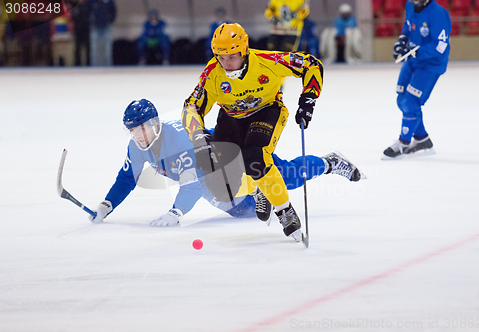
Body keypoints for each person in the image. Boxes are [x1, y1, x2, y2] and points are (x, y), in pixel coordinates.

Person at [89, 99, 363, 227]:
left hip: (235, 160)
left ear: (153, 124)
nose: (136, 136)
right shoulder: (136, 147)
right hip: (216, 186)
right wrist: (106, 205)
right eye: (131, 131)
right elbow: (127, 178)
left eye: (140, 129)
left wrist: (176, 212)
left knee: (288, 177)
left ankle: (329, 162)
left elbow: (192, 184)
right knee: (245, 215)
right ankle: (256, 193)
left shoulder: (178, 142)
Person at [181, 23, 330, 242]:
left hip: (266, 112)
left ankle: (285, 211)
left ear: (244, 50)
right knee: (221, 188)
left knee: (256, 158)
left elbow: (311, 64)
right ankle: (258, 189)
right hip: (231, 118)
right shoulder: (212, 73)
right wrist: (197, 136)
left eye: (231, 56)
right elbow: (191, 106)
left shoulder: (268, 61)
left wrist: (309, 98)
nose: (226, 64)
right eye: (220, 57)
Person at [383, 0, 451, 158]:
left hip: (431, 64)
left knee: (411, 101)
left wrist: (416, 51)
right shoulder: (410, 5)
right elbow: (409, 25)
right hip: (413, 60)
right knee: (401, 99)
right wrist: (402, 39)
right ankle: (422, 139)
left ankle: (403, 142)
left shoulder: (438, 13)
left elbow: (441, 44)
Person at [89, 0, 116, 66]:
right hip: (95, 28)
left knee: (108, 51)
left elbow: (114, 11)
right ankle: (94, 68)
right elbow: (88, 11)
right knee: (94, 51)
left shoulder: (109, 2)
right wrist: (91, 21)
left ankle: (108, 67)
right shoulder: (92, 2)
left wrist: (109, 20)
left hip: (106, 28)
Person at [71, 0, 91, 66]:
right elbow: (72, 17)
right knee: (77, 48)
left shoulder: (88, 5)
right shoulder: (75, 7)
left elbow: (89, 17)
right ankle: (77, 64)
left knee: (88, 48)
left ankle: (88, 64)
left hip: (86, 29)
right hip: (77, 29)